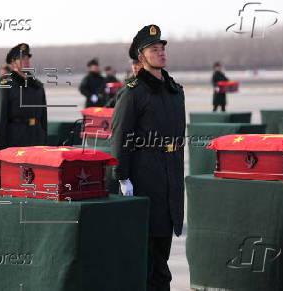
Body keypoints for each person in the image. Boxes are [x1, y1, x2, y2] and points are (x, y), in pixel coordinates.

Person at [111, 24, 186, 291]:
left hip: (171, 178)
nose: (161, 52)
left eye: (163, 48)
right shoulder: (133, 92)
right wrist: (122, 177)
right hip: (145, 176)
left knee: (162, 246)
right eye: (155, 49)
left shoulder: (175, 90)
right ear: (141, 57)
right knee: (149, 257)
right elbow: (120, 136)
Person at [0, 43, 47, 150]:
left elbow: (43, 117)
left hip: (36, 137)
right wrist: (0, 147)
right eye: (21, 59)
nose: (26, 61)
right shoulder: (5, 85)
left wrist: (44, 138)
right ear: (13, 63)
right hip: (16, 139)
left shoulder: (37, 85)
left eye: (27, 58)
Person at [104, 37, 143, 108]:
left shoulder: (151, 80)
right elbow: (118, 97)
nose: (134, 66)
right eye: (133, 64)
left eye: (137, 63)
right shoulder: (131, 81)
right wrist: (105, 109)